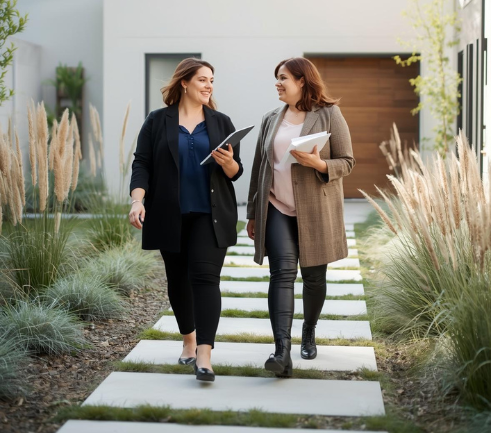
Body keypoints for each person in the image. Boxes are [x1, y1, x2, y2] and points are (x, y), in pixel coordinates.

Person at [129, 58, 243, 382]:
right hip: (169, 214)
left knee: (205, 279)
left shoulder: (221, 122)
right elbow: (142, 164)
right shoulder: (157, 121)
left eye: (211, 81)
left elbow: (236, 173)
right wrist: (138, 200)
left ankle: (204, 356)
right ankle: (189, 340)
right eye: (203, 80)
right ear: (184, 83)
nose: (209, 86)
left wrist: (228, 163)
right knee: (178, 281)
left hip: (212, 215)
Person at [247, 57, 355, 377]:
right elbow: (259, 168)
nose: (278, 84)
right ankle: (282, 350)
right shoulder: (271, 119)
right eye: (276, 79)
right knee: (281, 274)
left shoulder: (328, 114)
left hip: (315, 211)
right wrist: (254, 212)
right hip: (276, 207)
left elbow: (346, 162)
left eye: (283, 78)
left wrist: (318, 164)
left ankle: (309, 329)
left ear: (302, 81)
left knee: (313, 278)